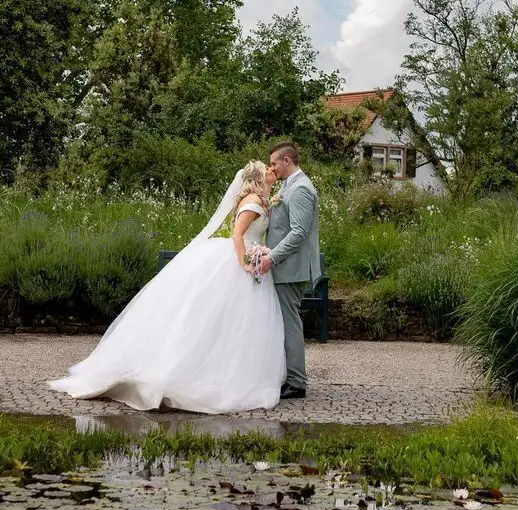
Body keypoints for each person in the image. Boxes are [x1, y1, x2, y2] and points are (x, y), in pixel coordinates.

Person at [45, 161, 286, 413]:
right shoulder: (253, 202)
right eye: (266, 169)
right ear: (257, 178)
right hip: (242, 261)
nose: (270, 171)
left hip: (254, 260)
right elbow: (238, 234)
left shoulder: (261, 199)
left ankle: (233, 368)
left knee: (234, 322)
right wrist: (245, 262)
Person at [256, 140, 322, 399]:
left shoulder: (302, 189)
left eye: (274, 163)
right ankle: (288, 375)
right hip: (284, 267)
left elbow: (299, 233)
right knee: (283, 321)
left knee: (290, 322)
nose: (272, 167)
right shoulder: (287, 186)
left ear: (287, 161)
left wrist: (272, 257)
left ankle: (297, 381)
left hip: (291, 268)